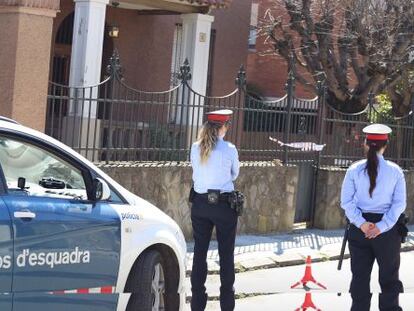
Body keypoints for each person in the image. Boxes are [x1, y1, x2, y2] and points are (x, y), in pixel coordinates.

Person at [341, 124, 406, 311]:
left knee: (360, 277)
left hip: (359, 229)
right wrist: (382, 226)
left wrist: (362, 224)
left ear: (365, 144)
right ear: (386, 144)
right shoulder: (395, 171)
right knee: (389, 277)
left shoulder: (354, 169)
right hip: (387, 230)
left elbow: (346, 202)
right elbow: (399, 204)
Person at [190, 109, 240, 311]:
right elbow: (234, 174)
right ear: (223, 127)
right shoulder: (229, 148)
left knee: (199, 252)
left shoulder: (195, 147)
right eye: (227, 126)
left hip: (200, 204)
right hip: (223, 205)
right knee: (226, 254)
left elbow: (195, 172)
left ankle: (197, 303)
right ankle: (227, 304)